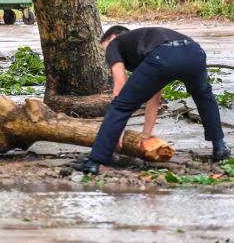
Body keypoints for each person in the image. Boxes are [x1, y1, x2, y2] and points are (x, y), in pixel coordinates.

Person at [74, 25, 229, 174]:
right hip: (194, 52)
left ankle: (95, 161)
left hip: (165, 56)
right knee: (204, 97)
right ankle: (220, 148)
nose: (107, 55)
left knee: (120, 105)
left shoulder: (114, 43)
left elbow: (120, 85)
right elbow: (154, 99)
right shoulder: (148, 46)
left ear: (114, 37)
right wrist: (145, 136)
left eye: (104, 49)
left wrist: (116, 132)